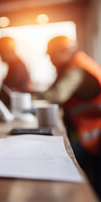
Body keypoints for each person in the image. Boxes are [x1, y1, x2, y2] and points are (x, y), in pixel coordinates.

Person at [35, 35, 101, 195]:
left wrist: (28, 95)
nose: (50, 59)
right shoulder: (71, 66)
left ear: (64, 51)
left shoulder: (76, 69)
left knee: (59, 161)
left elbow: (57, 95)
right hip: (88, 132)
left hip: (94, 135)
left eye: (52, 55)